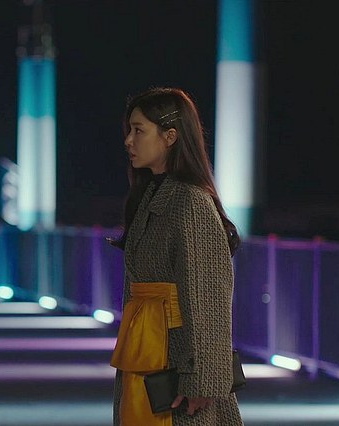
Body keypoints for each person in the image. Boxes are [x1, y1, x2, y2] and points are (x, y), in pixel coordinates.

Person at [108, 87, 243, 425]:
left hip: (176, 364)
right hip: (144, 353)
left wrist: (203, 379)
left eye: (139, 130)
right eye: (129, 130)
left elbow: (208, 296)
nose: (128, 140)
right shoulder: (150, 196)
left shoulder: (190, 201)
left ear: (170, 137)